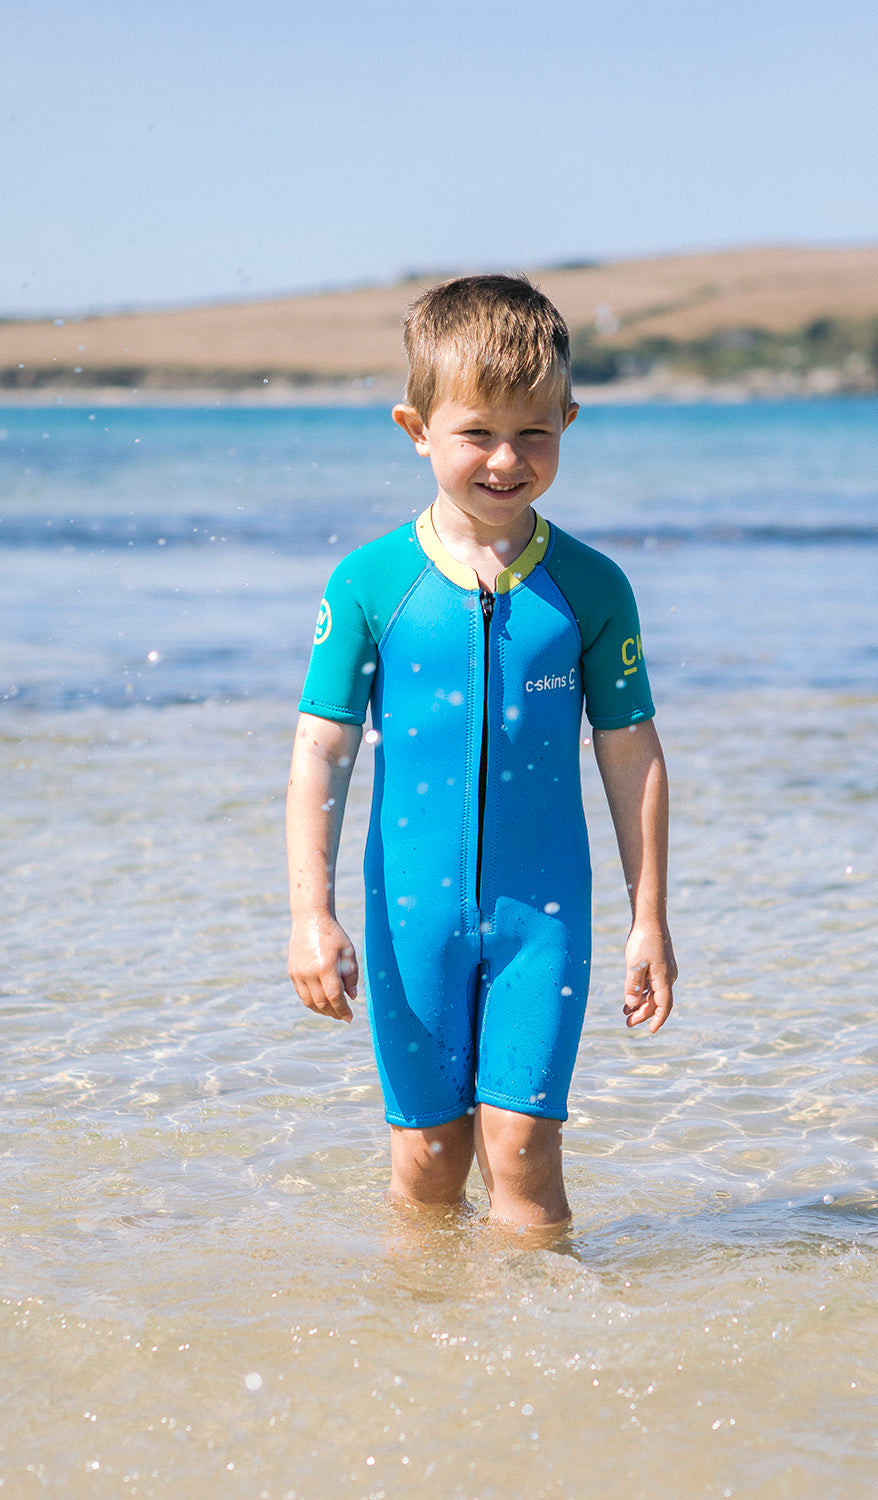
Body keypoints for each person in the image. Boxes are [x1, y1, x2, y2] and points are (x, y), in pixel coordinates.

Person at [286, 274, 676, 1232]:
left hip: (542, 912)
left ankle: (546, 1322)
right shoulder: (371, 581)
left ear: (569, 422)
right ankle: (428, 1323)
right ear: (416, 428)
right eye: (477, 433)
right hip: (408, 911)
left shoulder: (591, 586)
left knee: (524, 1145)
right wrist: (310, 915)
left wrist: (649, 920)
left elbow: (632, 756)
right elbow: (321, 753)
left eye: (534, 432)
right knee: (427, 1159)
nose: (507, 459)